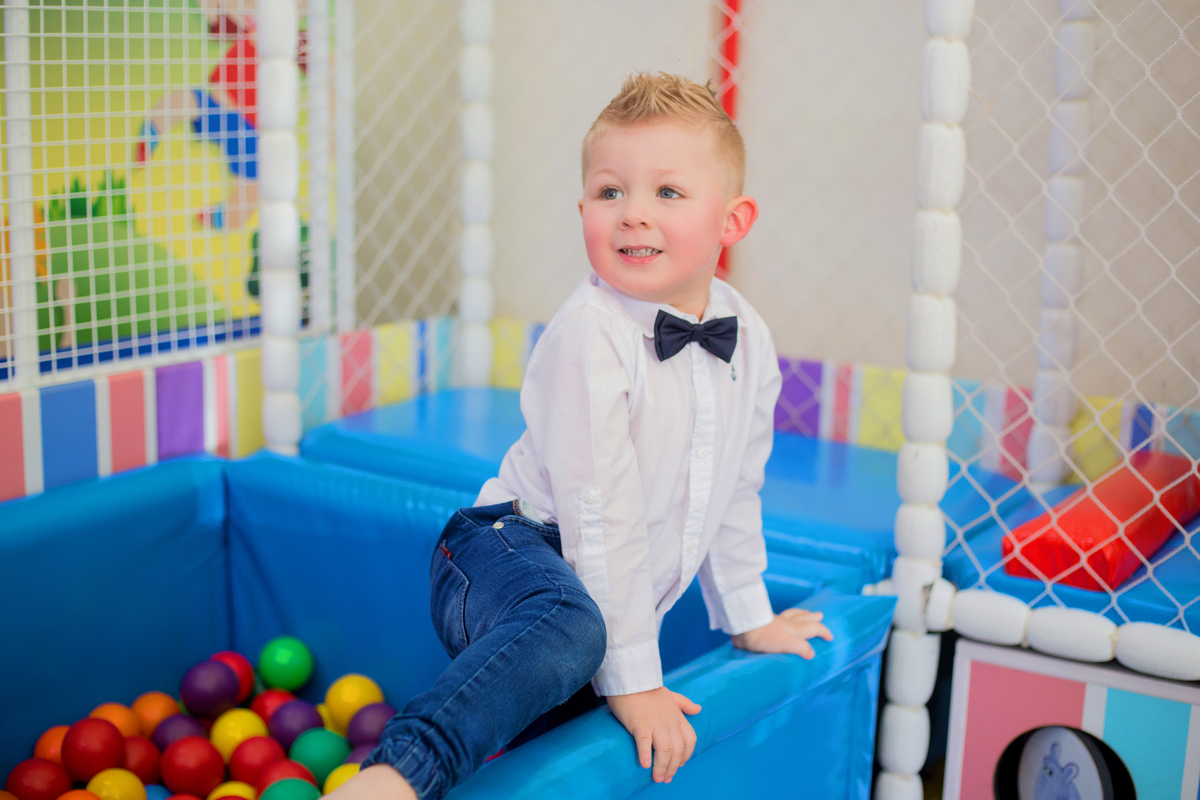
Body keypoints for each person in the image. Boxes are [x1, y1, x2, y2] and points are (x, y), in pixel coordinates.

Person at [328, 72, 834, 800]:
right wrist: (636, 680)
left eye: (667, 192)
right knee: (576, 629)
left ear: (733, 220)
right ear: (582, 209)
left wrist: (749, 617)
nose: (632, 215)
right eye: (609, 193)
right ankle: (397, 774)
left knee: (569, 739)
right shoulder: (591, 335)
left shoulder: (746, 338)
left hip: (593, 597)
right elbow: (600, 516)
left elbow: (735, 489)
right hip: (500, 551)